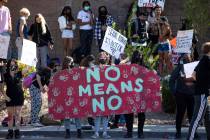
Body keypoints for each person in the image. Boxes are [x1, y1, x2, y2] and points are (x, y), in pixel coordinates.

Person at [187, 42, 210, 140]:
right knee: (197, 119)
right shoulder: (208, 61)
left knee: (206, 117)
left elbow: (193, 75)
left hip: (200, 93)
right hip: (201, 94)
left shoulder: (202, 61)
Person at [169, 54, 196, 139]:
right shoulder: (179, 68)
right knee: (180, 114)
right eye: (185, 59)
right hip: (181, 94)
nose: (187, 59)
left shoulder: (195, 68)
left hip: (191, 95)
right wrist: (174, 92)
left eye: (188, 58)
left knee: (192, 115)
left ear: (191, 59)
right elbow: (171, 80)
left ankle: (193, 133)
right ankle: (178, 132)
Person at [124, 51, 145, 139]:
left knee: (141, 114)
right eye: (137, 55)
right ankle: (129, 132)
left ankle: (140, 132)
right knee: (129, 113)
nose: (138, 57)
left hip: (141, 94)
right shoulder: (128, 66)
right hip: (130, 93)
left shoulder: (144, 67)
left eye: (140, 55)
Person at [2, 59, 24, 139]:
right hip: (9, 97)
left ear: (16, 65)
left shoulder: (19, 73)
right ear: (8, 66)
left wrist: (32, 61)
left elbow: (27, 69)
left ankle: (17, 132)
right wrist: (5, 96)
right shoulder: (5, 75)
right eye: (11, 65)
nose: (12, 66)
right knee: (10, 116)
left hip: (19, 96)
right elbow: (1, 88)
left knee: (18, 115)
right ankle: (10, 132)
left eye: (14, 65)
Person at [91, 52, 111, 139]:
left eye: (104, 57)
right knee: (97, 115)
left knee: (105, 115)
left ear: (106, 59)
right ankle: (96, 132)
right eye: (100, 57)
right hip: (97, 94)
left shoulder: (110, 68)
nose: (102, 58)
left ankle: (105, 132)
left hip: (106, 95)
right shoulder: (94, 68)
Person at [62, 56, 82, 138]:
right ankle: (67, 132)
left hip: (74, 95)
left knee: (76, 114)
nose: (72, 63)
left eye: (73, 62)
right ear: (67, 63)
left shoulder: (75, 71)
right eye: (71, 62)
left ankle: (79, 132)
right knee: (67, 115)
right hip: (66, 96)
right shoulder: (62, 72)